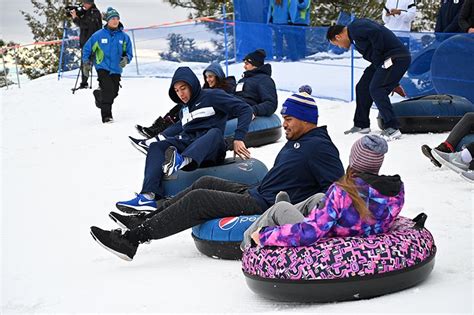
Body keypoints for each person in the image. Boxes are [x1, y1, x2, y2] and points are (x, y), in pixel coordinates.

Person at [90, 90, 345, 261]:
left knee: (199, 198)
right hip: (257, 190)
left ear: (305, 119)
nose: (285, 124)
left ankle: (131, 240)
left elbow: (336, 193)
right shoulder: (301, 139)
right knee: (205, 182)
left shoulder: (320, 147)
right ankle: (143, 220)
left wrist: (309, 219)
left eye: (289, 119)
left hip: (263, 204)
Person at [116, 66, 253, 213]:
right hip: (191, 144)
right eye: (177, 91)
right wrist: (157, 139)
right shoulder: (184, 110)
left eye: (183, 88)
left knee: (213, 132)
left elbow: (245, 109)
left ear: (192, 85)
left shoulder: (212, 96)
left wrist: (239, 138)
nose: (181, 94)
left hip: (213, 148)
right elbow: (178, 127)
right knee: (156, 147)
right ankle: (147, 197)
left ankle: (182, 160)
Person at [242, 135, 405, 249]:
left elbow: (309, 233)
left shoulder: (342, 192)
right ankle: (290, 210)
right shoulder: (394, 192)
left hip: (325, 244)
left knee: (281, 208)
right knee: (320, 198)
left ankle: (246, 242)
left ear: (354, 160)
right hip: (351, 232)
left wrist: (264, 235)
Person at [326, 19, 411, 141]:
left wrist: (377, 54)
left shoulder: (355, 27)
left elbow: (376, 32)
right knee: (362, 87)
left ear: (338, 37)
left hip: (396, 57)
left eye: (336, 44)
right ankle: (361, 125)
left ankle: (392, 127)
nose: (340, 47)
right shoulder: (354, 36)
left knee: (377, 89)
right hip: (384, 60)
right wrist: (394, 83)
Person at [135, 63, 236, 139]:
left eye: (210, 76)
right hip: (203, 110)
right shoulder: (206, 88)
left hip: (212, 115)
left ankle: (162, 132)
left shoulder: (227, 87)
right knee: (181, 105)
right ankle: (158, 127)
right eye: (206, 77)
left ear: (218, 76)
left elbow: (228, 103)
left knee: (187, 111)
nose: (208, 79)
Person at [82, 7, 133, 123]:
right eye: (112, 18)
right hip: (102, 67)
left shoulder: (124, 37)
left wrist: (126, 59)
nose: (115, 20)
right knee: (108, 90)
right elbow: (87, 49)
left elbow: (129, 53)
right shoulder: (98, 35)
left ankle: (99, 95)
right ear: (107, 20)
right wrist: (86, 62)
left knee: (114, 92)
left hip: (116, 69)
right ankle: (107, 116)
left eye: (117, 18)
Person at [235, 49, 278, 118]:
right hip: (233, 107)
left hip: (242, 110)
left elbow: (271, 104)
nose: (244, 67)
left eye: (247, 64)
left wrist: (253, 110)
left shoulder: (264, 80)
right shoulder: (243, 80)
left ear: (255, 64)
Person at [69, 0, 102, 89]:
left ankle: (102, 84)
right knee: (84, 63)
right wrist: (74, 12)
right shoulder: (88, 11)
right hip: (86, 43)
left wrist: (75, 18)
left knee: (98, 64)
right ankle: (84, 83)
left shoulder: (94, 12)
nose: (83, 5)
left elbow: (85, 25)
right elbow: (82, 19)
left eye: (85, 3)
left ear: (89, 3)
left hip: (92, 43)